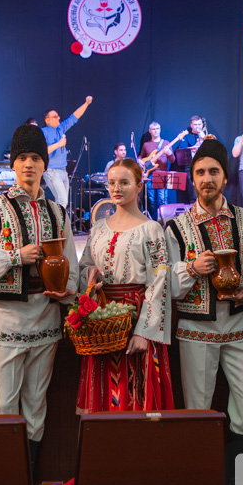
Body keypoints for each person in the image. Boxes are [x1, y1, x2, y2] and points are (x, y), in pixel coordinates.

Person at [0, 123, 78, 469]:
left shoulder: (57, 212)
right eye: (23, 157)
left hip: (47, 317)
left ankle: (30, 481)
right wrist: (14, 256)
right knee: (7, 404)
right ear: (12, 163)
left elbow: (71, 263)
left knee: (36, 403)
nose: (29, 164)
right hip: (8, 318)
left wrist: (69, 292)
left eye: (36, 158)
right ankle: (7, 484)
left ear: (45, 164)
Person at [165, 139, 243, 448]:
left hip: (238, 327)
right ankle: (203, 471)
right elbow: (169, 285)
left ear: (225, 178)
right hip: (196, 330)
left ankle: (238, 469)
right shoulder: (176, 227)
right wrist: (193, 268)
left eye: (214, 172)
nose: (206, 179)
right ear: (192, 179)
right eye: (200, 173)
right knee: (198, 408)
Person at [77, 159, 175, 413]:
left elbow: (159, 280)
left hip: (136, 315)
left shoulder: (151, 229)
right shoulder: (98, 228)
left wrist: (144, 331)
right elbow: (85, 266)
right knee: (104, 389)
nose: (116, 188)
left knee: (135, 389)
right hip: (103, 319)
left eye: (124, 182)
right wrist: (89, 277)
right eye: (112, 183)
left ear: (139, 186)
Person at [41, 96, 94, 209]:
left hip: (63, 171)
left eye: (58, 116)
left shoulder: (60, 128)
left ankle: (58, 219)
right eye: (55, 117)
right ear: (47, 120)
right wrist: (58, 144)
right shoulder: (43, 132)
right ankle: (58, 220)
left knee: (63, 202)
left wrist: (86, 103)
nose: (58, 118)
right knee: (62, 200)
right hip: (51, 171)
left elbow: (74, 117)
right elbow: (41, 151)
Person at [139, 121, 178, 217]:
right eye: (153, 129)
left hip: (162, 174)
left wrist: (169, 153)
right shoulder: (146, 144)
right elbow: (140, 156)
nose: (156, 131)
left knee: (162, 200)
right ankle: (155, 220)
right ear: (150, 131)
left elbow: (172, 160)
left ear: (160, 130)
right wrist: (139, 161)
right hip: (149, 175)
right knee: (152, 201)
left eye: (157, 129)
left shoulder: (166, 143)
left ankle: (164, 220)